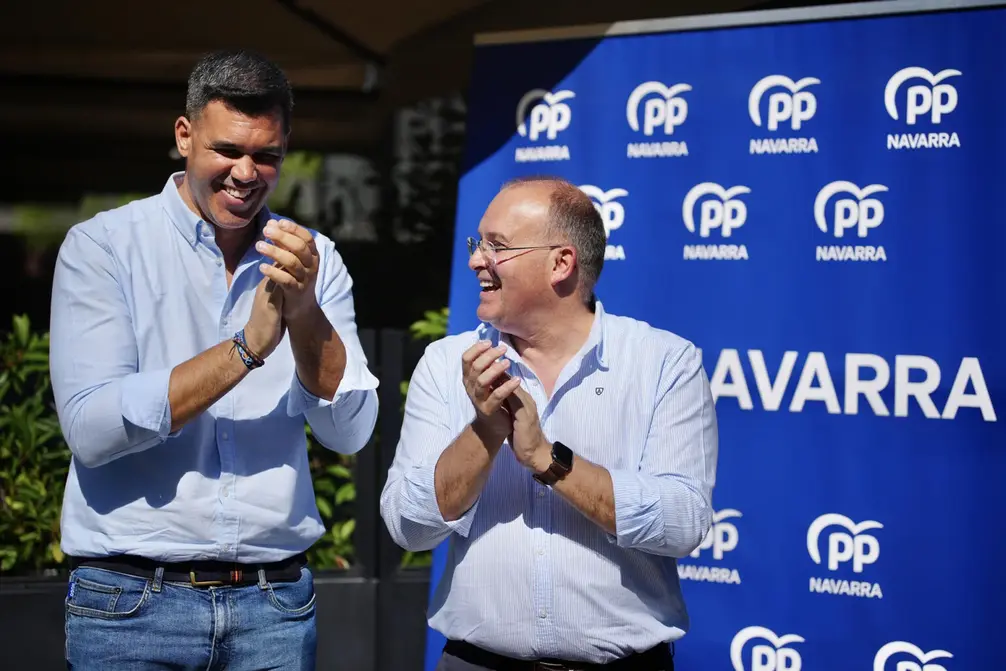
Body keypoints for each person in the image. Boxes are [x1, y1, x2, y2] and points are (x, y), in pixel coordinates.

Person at [49, 49, 378, 670]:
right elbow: (92, 430)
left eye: (267, 156)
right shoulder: (104, 247)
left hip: (274, 603)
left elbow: (350, 430)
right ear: (184, 135)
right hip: (130, 603)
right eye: (227, 151)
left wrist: (307, 315)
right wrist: (246, 349)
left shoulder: (313, 258)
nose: (246, 173)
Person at [380, 176, 719, 670]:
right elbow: (408, 526)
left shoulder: (664, 362)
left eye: (498, 246)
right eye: (479, 243)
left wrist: (547, 459)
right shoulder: (446, 362)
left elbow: (683, 522)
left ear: (561, 263)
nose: (476, 260)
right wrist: (485, 431)